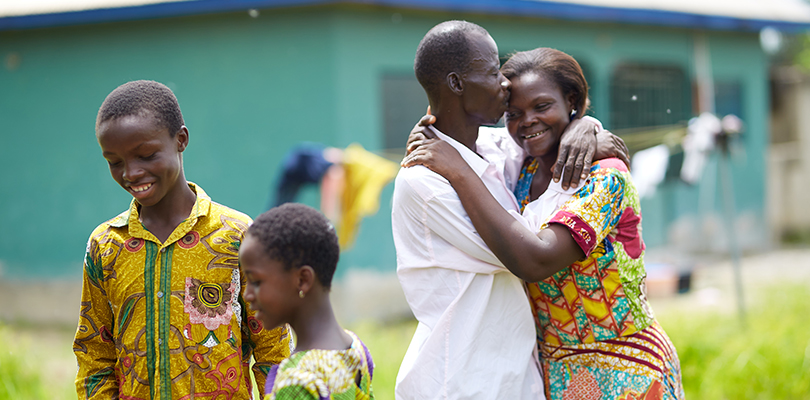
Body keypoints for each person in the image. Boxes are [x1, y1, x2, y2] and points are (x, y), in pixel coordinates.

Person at [402, 48, 684, 399]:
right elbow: (457, 124)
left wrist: (586, 125)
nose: (527, 121)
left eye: (542, 106)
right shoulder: (521, 169)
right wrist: (428, 127)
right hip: (551, 370)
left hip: (624, 368)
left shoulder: (604, 177)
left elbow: (537, 259)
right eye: (513, 113)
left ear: (571, 101)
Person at [74, 80, 291, 399]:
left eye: (146, 155)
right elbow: (94, 356)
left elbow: (274, 350)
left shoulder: (238, 236)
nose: (131, 173)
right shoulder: (105, 246)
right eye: (114, 162)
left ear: (181, 140)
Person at [239, 203, 375, 399]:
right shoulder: (356, 348)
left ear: (302, 280)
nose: (247, 294)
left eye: (257, 282)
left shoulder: (296, 383)